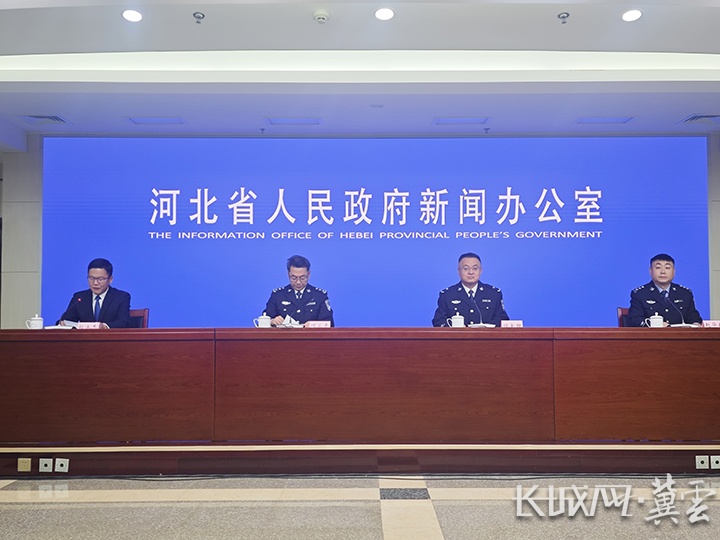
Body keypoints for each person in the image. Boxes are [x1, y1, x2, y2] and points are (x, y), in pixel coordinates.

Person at [432, 252, 509, 327]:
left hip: (486, 336)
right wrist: (455, 326)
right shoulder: (447, 295)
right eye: (466, 268)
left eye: (475, 268)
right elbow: (438, 321)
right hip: (458, 335)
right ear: (459, 271)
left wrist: (485, 329)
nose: (471, 272)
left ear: (480, 271)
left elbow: (502, 320)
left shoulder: (493, 294)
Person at [627, 253, 702, 327]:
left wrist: (696, 324)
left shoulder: (685, 293)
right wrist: (655, 324)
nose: (663, 272)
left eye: (667, 268)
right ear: (650, 271)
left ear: (674, 271)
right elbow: (634, 320)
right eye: (658, 267)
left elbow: (694, 317)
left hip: (679, 334)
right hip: (653, 335)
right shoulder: (640, 294)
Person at [58, 258, 132, 329]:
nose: (95, 283)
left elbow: (123, 322)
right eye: (91, 278)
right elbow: (66, 320)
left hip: (110, 337)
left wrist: (105, 326)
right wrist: (62, 323)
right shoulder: (80, 298)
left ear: (110, 279)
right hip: (85, 337)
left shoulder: (121, 297)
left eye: (100, 279)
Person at [264, 255, 334, 327]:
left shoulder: (319, 296)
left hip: (310, 334)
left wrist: (312, 325)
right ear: (288, 274)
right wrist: (272, 321)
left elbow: (329, 323)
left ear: (308, 274)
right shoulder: (278, 295)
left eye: (302, 278)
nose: (298, 282)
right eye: (294, 278)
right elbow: (264, 320)